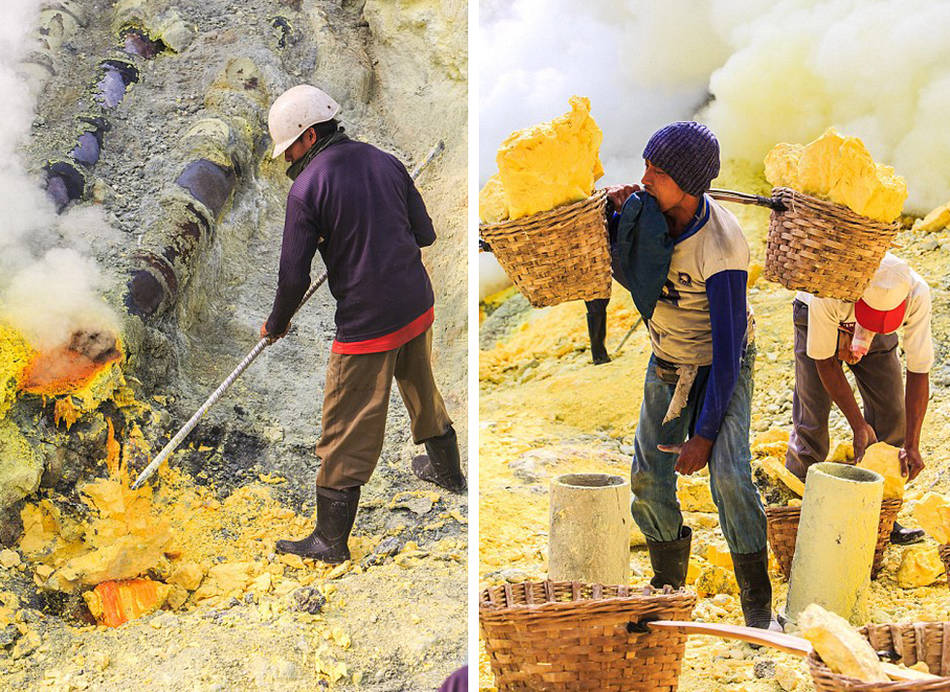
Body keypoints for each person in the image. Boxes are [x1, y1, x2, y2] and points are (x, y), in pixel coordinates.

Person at [260, 84, 466, 564]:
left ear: (308, 136)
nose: (286, 159)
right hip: (416, 305)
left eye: (288, 148)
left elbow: (293, 276)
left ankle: (330, 541)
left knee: (347, 426)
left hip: (368, 323)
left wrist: (277, 323)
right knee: (421, 386)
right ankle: (449, 474)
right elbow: (425, 233)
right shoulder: (384, 159)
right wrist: (369, 231)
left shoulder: (307, 188)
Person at [607, 121, 778, 631]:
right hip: (668, 363)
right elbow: (620, 261)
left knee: (728, 475)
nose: (644, 179)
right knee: (646, 478)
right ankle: (668, 593)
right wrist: (614, 216)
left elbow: (726, 355)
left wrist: (703, 435)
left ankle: (758, 611)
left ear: (686, 183)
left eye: (656, 173)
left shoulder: (721, 247)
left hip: (722, 366)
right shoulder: (647, 215)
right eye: (646, 167)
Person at [784, 252, 933, 544]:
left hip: (865, 315)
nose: (876, 327)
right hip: (818, 310)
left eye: (884, 322)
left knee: (891, 415)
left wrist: (913, 443)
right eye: (874, 320)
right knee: (812, 421)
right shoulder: (828, 289)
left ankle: (880, 518)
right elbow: (825, 362)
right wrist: (858, 425)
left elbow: (919, 371)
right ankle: (796, 517)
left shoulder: (915, 293)